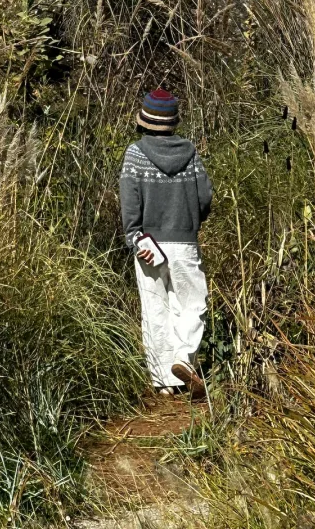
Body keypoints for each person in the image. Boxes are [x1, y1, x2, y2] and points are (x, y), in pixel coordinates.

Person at [119, 87, 212, 398]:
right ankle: (183, 359)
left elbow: (129, 203)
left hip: (147, 242)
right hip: (184, 241)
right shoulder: (192, 153)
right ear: (174, 122)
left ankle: (164, 383)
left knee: (155, 309)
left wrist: (135, 235)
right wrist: (189, 222)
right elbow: (204, 199)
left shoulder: (135, 154)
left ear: (144, 121)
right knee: (191, 304)